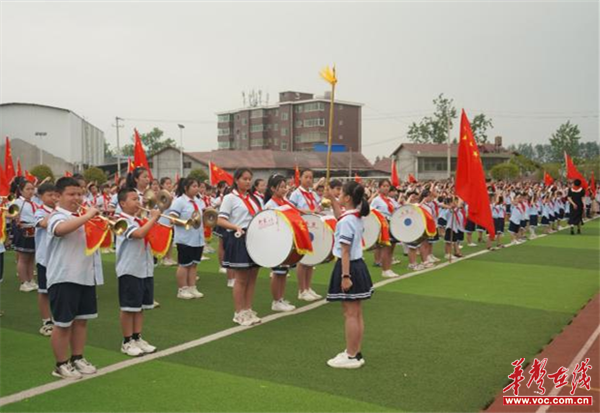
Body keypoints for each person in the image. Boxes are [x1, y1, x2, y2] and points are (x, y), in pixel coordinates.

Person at [46, 177, 104, 379]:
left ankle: (77, 358)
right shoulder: (56, 215)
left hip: (85, 275)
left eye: (80, 193)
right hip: (64, 276)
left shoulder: (81, 215)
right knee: (63, 324)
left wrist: (95, 218)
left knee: (81, 321)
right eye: (71, 194)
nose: (77, 198)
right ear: (58, 196)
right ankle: (60, 364)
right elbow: (60, 230)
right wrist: (88, 215)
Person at [323, 180, 373, 369]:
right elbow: (340, 216)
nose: (338, 195)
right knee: (356, 313)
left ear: (348, 198)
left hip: (348, 267)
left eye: (341, 193)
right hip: (357, 265)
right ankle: (355, 351)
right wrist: (332, 200)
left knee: (350, 313)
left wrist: (345, 276)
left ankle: (351, 355)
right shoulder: (356, 216)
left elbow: (344, 251)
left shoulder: (348, 220)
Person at [116, 188, 160, 356]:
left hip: (144, 268)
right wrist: (153, 218)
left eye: (138, 199)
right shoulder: (121, 221)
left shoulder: (139, 219)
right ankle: (127, 341)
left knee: (140, 307)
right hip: (130, 269)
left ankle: (137, 337)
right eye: (134, 199)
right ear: (122, 203)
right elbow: (139, 234)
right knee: (128, 307)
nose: (138, 202)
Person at [217, 168, 263, 326]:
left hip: (255, 239)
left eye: (250, 179)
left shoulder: (254, 198)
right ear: (236, 180)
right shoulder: (230, 198)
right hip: (239, 238)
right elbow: (220, 220)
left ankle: (248, 309)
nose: (248, 181)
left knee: (252, 278)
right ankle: (239, 312)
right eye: (244, 178)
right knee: (241, 278)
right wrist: (236, 227)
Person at [263, 174, 297, 312]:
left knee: (283, 271)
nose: (284, 189)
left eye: (285, 186)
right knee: (277, 272)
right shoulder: (270, 205)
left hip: (286, 241)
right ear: (272, 188)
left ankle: (281, 298)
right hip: (275, 242)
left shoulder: (285, 202)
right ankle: (276, 301)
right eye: (281, 187)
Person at [169, 177, 206, 299]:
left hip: (198, 237)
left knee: (194, 264)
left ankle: (192, 287)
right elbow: (172, 218)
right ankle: (182, 289)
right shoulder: (179, 201)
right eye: (194, 186)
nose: (197, 189)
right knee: (184, 264)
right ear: (186, 188)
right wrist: (186, 222)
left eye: (197, 186)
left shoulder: (199, 201)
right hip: (185, 239)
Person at [288, 169, 322, 301]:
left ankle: (308, 287)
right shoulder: (296, 194)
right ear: (300, 178)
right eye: (306, 177)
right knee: (303, 260)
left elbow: (318, 207)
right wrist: (306, 211)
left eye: (311, 177)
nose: (309, 179)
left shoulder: (313, 194)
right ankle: (301, 290)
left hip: (313, 227)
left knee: (311, 260)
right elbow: (292, 209)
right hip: (302, 227)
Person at [34, 183, 58, 337]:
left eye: (56, 195)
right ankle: (46, 321)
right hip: (45, 258)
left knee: (58, 289)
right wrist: (57, 211)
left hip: (59, 258)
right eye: (50, 195)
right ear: (41, 197)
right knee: (44, 291)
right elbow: (43, 223)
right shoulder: (39, 211)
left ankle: (58, 319)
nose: (54, 198)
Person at [370, 179, 400, 278]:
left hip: (393, 224)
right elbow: (371, 212)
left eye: (387, 186)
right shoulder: (376, 200)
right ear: (379, 188)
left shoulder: (391, 200)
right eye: (384, 186)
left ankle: (389, 268)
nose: (386, 188)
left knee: (391, 248)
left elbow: (398, 209)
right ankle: (385, 270)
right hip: (383, 224)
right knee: (385, 248)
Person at [13, 178, 38, 292]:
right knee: (23, 258)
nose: (30, 191)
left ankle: (31, 280)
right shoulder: (18, 202)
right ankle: (23, 282)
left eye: (32, 189)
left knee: (31, 257)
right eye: (27, 189)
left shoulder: (34, 202)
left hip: (34, 230)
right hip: (24, 230)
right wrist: (15, 217)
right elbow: (8, 213)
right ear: (21, 191)